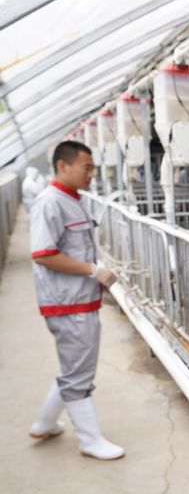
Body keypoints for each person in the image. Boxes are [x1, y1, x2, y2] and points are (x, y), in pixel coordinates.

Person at [28, 140, 124, 460]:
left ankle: (44, 422)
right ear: (62, 166)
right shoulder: (50, 203)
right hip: (68, 304)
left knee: (74, 367)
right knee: (79, 374)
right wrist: (93, 270)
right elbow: (43, 254)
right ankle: (89, 440)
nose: (91, 174)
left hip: (79, 300)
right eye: (87, 167)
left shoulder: (72, 199)